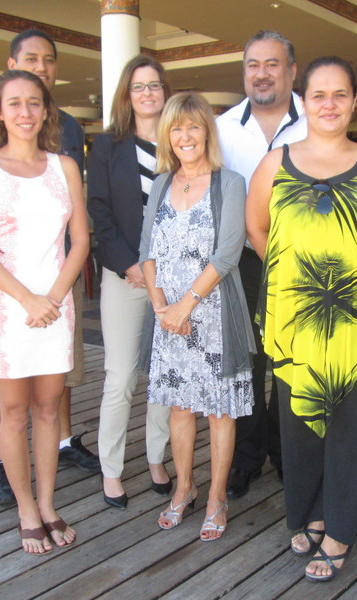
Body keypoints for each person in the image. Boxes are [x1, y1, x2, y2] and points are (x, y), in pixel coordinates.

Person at [246, 56, 357, 582]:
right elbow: (258, 232)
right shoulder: (275, 163)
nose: (330, 104)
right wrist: (298, 280)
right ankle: (312, 510)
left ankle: (340, 528)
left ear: (355, 101)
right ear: (303, 101)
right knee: (302, 424)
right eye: (319, 95)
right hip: (297, 320)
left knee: (354, 427)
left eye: (340, 94)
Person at [0, 29, 98, 508]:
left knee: (49, 411)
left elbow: (81, 239)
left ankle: (49, 504)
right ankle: (27, 510)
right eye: (15, 103)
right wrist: (28, 299)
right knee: (13, 413)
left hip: (55, 307)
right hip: (7, 309)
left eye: (35, 103)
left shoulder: (64, 166)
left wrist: (52, 298)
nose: (26, 113)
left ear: (46, 110)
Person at [139, 92, 255, 541]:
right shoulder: (163, 182)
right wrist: (162, 308)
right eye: (176, 128)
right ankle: (184, 488)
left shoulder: (230, 182)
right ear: (167, 135)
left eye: (193, 126)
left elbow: (228, 253)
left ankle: (216, 497)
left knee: (220, 412)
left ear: (207, 130)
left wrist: (186, 304)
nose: (185, 136)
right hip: (169, 315)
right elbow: (146, 251)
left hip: (212, 314)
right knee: (181, 407)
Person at [216, 29, 307, 500]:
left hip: (302, 264)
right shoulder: (223, 127)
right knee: (247, 363)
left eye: (272, 64)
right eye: (253, 65)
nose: (262, 73)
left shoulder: (315, 119)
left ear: (291, 70)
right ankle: (247, 457)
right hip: (244, 264)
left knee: (292, 360)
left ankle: (288, 453)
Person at [88, 55, 173, 509]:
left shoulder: (179, 141)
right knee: (120, 376)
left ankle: (157, 458)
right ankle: (112, 468)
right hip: (125, 277)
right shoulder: (106, 146)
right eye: (139, 86)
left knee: (162, 376)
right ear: (127, 94)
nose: (147, 93)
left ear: (165, 91)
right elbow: (98, 212)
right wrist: (129, 265)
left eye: (155, 85)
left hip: (172, 279)